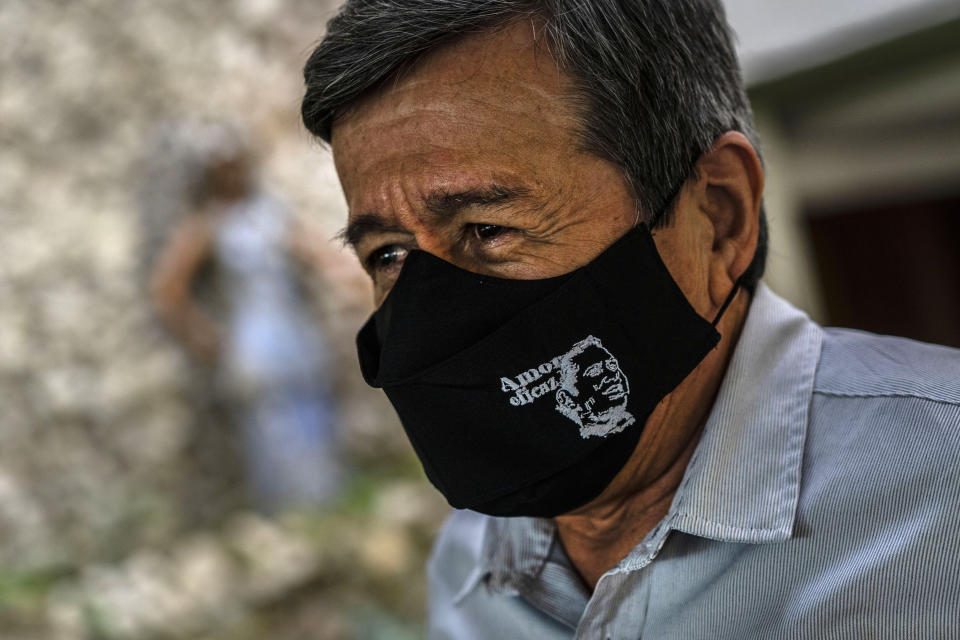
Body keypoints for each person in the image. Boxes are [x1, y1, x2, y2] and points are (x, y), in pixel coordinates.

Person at [300, 1, 960, 638]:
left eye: (489, 228)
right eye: (386, 254)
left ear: (719, 215)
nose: (428, 317)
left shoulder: (941, 490)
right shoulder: (473, 568)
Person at [151, 135, 342, 513]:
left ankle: (328, 501)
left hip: (292, 326)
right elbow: (168, 290)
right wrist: (203, 335)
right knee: (270, 425)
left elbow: (318, 254)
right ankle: (287, 511)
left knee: (313, 410)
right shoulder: (207, 226)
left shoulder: (270, 214)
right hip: (251, 335)